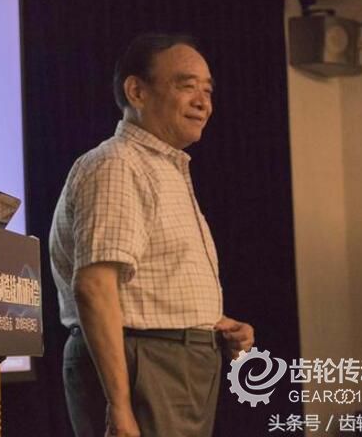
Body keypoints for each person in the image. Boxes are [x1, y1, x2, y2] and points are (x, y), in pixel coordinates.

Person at [49, 33, 255, 437]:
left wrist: (210, 322)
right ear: (137, 92)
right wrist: (119, 407)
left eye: (208, 90)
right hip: (143, 364)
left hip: (173, 366)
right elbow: (94, 287)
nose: (203, 102)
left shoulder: (164, 169)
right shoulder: (118, 165)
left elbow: (148, 286)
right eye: (187, 86)